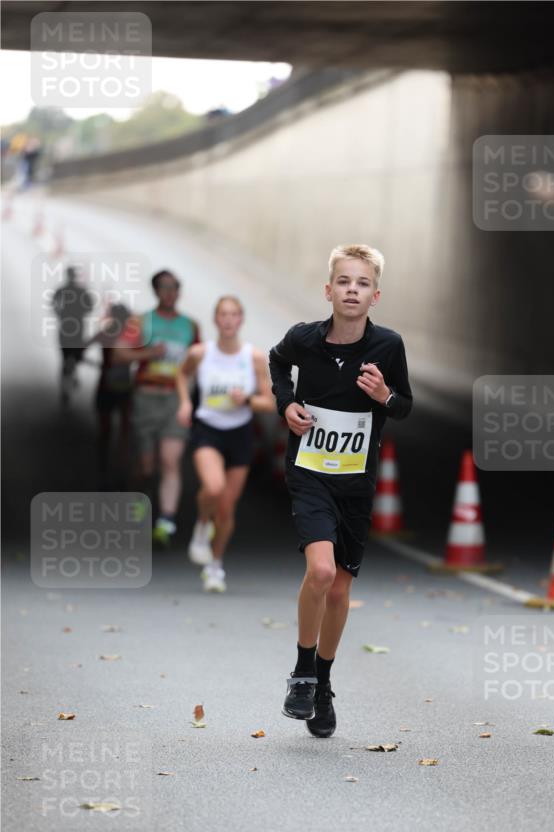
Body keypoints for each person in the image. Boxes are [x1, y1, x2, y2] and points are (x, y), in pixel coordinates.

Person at [268, 244, 412, 737]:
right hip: (309, 472)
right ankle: (303, 672)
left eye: (363, 283)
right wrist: (286, 405)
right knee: (322, 571)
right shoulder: (304, 340)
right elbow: (276, 362)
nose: (353, 290)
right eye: (344, 282)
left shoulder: (387, 347)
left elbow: (404, 405)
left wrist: (383, 396)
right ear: (329, 290)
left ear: (375, 296)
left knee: (342, 588)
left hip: (356, 481)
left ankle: (324, 683)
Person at [176, 296, 275, 592]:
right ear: (215, 319)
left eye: (234, 315)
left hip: (240, 433)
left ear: (241, 320)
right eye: (223, 315)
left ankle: (215, 566)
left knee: (227, 510)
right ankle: (201, 526)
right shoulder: (200, 353)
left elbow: (269, 402)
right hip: (208, 430)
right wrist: (184, 403)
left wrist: (245, 399)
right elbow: (181, 375)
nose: (229, 320)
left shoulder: (253, 357)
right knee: (214, 488)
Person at [113, 270, 200, 545]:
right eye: (164, 288)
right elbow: (118, 353)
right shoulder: (141, 321)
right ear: (156, 291)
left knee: (170, 461)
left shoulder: (191, 326)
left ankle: (165, 522)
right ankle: (138, 501)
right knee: (146, 466)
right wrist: (149, 353)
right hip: (146, 397)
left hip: (175, 398)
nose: (170, 292)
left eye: (175, 287)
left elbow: (200, 360)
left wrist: (193, 391)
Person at [86, 302, 135, 488]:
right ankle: (122, 469)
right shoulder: (131, 335)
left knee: (105, 431)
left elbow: (81, 348)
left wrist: (96, 364)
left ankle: (103, 467)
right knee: (125, 431)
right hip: (124, 387)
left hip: (105, 385)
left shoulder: (104, 333)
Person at [51, 266, 94, 404]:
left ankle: (67, 384)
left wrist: (61, 314)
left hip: (67, 328)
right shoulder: (80, 290)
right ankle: (68, 383)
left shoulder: (64, 289)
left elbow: (54, 304)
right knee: (73, 356)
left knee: (68, 358)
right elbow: (90, 307)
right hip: (75, 328)